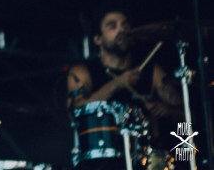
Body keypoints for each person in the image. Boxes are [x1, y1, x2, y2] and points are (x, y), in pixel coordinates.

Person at [66, 9, 184, 168]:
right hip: (101, 162)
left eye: (125, 25)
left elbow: (187, 115)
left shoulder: (151, 71)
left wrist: (168, 110)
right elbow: (76, 111)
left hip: (147, 159)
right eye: (112, 26)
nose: (122, 30)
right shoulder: (82, 72)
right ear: (97, 39)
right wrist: (117, 84)